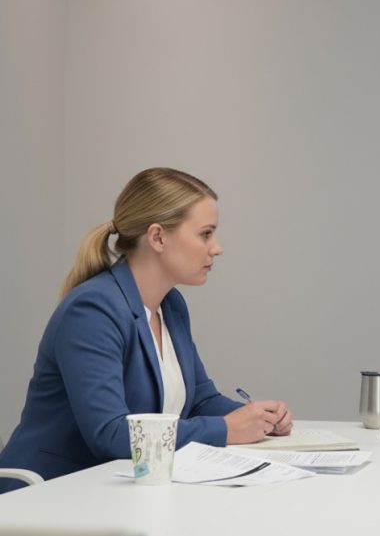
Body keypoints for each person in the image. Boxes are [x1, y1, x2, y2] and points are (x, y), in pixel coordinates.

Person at [0, 168, 293, 493]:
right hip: (45, 496)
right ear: (157, 237)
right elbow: (110, 434)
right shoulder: (92, 310)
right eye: (206, 234)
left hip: (113, 493)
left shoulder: (171, 305)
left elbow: (199, 399)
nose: (217, 248)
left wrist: (255, 417)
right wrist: (226, 429)